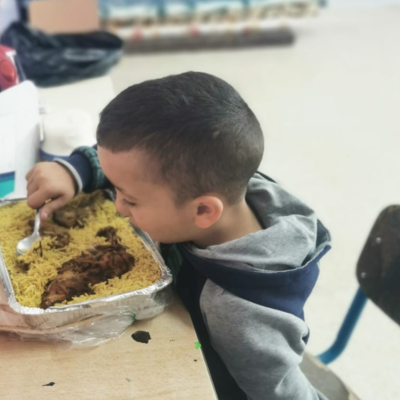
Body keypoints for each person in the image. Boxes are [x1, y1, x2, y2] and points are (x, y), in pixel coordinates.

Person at [26, 72, 331, 400]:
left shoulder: (238, 313)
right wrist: (77, 171)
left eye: (129, 199)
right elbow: (135, 165)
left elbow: (283, 392)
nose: (118, 207)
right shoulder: (222, 183)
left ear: (202, 212)